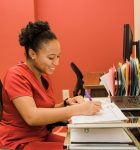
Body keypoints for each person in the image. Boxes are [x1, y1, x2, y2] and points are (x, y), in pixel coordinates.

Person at [0, 20, 101, 150]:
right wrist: (80, 109)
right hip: (19, 142)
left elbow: (46, 109)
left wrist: (66, 103)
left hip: (41, 136)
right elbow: (32, 116)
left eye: (58, 56)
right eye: (51, 57)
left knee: (84, 144)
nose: (57, 63)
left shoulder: (43, 75)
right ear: (32, 54)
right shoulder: (16, 75)